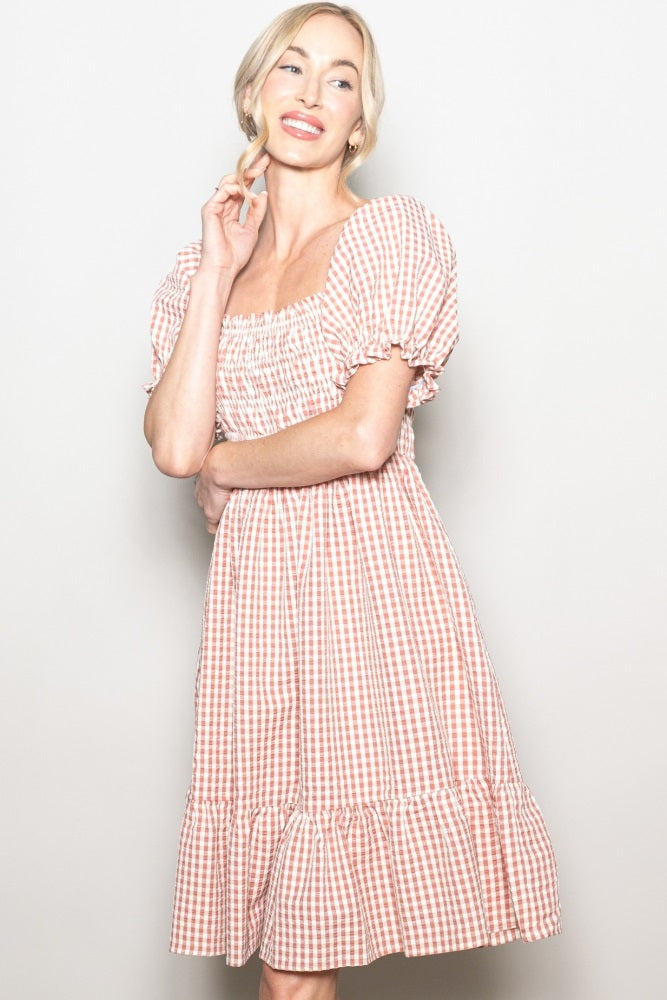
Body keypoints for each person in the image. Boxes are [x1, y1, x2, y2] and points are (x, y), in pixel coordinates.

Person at [143, 4, 562, 998]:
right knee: (290, 968)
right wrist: (216, 270)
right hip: (255, 616)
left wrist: (228, 466)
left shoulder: (388, 236)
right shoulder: (200, 271)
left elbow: (361, 435)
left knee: (296, 966)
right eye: (291, 68)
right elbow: (174, 446)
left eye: (340, 79)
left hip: (367, 595)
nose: (311, 94)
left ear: (359, 119)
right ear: (255, 91)